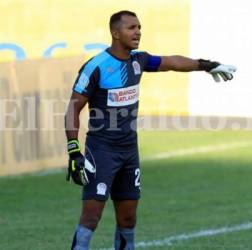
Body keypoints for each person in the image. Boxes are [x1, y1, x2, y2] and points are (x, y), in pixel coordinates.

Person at [64, 10, 236, 250]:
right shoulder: (96, 67)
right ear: (115, 33)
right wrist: (74, 152)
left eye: (139, 27)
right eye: (131, 28)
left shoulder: (139, 60)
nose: (138, 32)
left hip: (128, 152)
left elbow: (172, 62)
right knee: (91, 218)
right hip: (101, 152)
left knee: (128, 219)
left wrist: (206, 65)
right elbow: (73, 109)